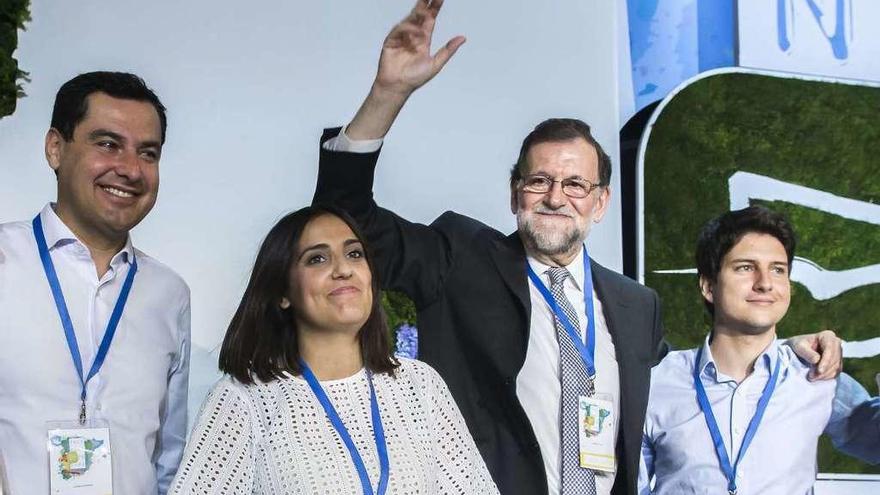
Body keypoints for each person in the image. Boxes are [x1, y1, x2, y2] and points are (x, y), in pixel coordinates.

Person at [311, 2, 843, 494]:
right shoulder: (460, 258)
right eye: (538, 181)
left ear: (600, 202)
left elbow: (695, 387)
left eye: (574, 185)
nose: (554, 198)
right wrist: (388, 94)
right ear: (514, 191)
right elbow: (348, 217)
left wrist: (783, 346)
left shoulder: (635, 306)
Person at [169, 205, 497, 494]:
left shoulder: (420, 385)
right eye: (317, 258)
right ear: (282, 293)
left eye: (355, 254)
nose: (343, 269)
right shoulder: (244, 400)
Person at [0, 72, 190, 494]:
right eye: (107, 144)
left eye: (148, 153)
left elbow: (168, 460)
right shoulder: (4, 260)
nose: (130, 169)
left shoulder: (169, 294)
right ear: (55, 148)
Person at [639, 206, 880, 495]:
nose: (765, 283)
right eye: (745, 267)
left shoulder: (817, 376)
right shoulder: (657, 383)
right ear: (708, 286)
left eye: (778, 270)